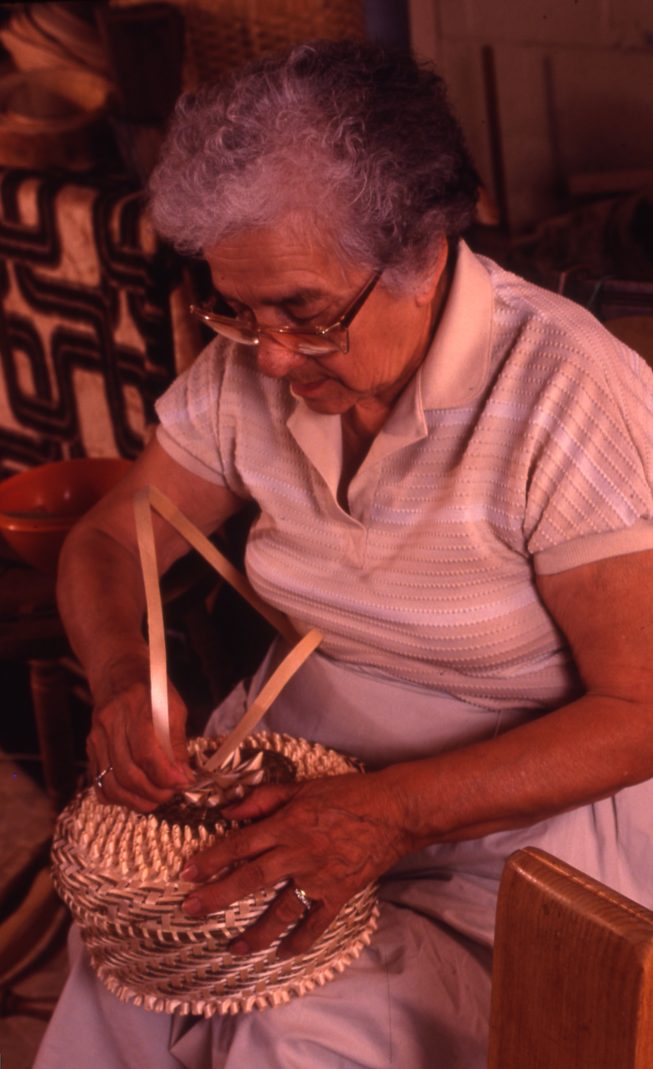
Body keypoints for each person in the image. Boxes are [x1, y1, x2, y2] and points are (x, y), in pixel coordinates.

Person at [36, 39, 653, 1069]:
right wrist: (117, 681)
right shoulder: (254, 370)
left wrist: (389, 813)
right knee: (139, 960)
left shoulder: (563, 393)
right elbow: (110, 535)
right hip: (279, 775)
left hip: (512, 836)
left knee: (299, 1027)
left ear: (420, 252)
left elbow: (641, 709)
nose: (270, 354)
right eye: (237, 307)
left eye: (304, 314)